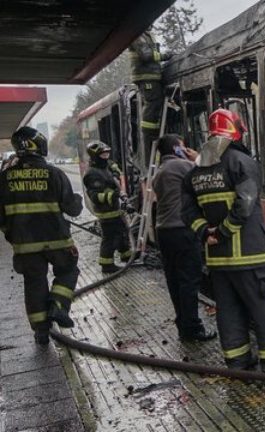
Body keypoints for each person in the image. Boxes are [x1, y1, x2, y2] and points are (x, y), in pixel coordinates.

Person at [181, 108, 265, 373]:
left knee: (229, 310)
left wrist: (206, 233)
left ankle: (237, 361)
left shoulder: (195, 173)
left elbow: (187, 212)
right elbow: (245, 203)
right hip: (251, 256)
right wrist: (223, 232)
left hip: (218, 261)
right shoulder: (241, 162)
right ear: (235, 132)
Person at [0, 127, 83, 345]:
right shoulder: (54, 174)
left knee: (34, 283)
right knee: (68, 270)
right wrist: (77, 200)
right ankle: (58, 305)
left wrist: (10, 233)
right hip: (57, 241)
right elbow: (72, 208)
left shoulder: (4, 178)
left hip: (24, 245)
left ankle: (41, 332)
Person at [153, 134, 217, 342]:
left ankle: (183, 325)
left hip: (164, 232)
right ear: (176, 149)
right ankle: (192, 329)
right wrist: (197, 157)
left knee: (174, 280)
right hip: (182, 230)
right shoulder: (181, 165)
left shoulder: (160, 171)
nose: (185, 148)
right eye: (182, 146)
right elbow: (208, 174)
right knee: (189, 280)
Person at [83, 141, 133, 273]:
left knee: (122, 233)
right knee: (110, 239)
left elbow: (114, 173)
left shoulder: (105, 168)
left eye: (107, 154)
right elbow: (95, 196)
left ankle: (127, 256)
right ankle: (107, 265)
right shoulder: (92, 174)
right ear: (95, 156)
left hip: (115, 209)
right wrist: (113, 195)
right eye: (103, 154)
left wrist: (116, 176)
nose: (106, 156)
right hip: (106, 213)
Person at [129, 31, 171, 150]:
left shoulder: (146, 35)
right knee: (152, 105)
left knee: (156, 105)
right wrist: (166, 56)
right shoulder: (138, 34)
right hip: (146, 76)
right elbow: (146, 55)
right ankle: (150, 138)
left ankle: (153, 135)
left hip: (151, 76)